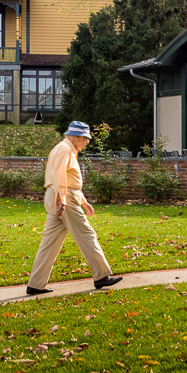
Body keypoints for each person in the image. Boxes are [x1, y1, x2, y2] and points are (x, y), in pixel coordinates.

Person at [25, 121, 122, 296]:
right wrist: (62, 199)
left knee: (50, 242)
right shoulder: (65, 149)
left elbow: (68, 178)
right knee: (87, 234)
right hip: (64, 197)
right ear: (76, 137)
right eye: (85, 139)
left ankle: (36, 284)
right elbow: (59, 174)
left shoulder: (64, 148)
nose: (87, 143)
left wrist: (83, 201)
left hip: (60, 196)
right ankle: (101, 276)